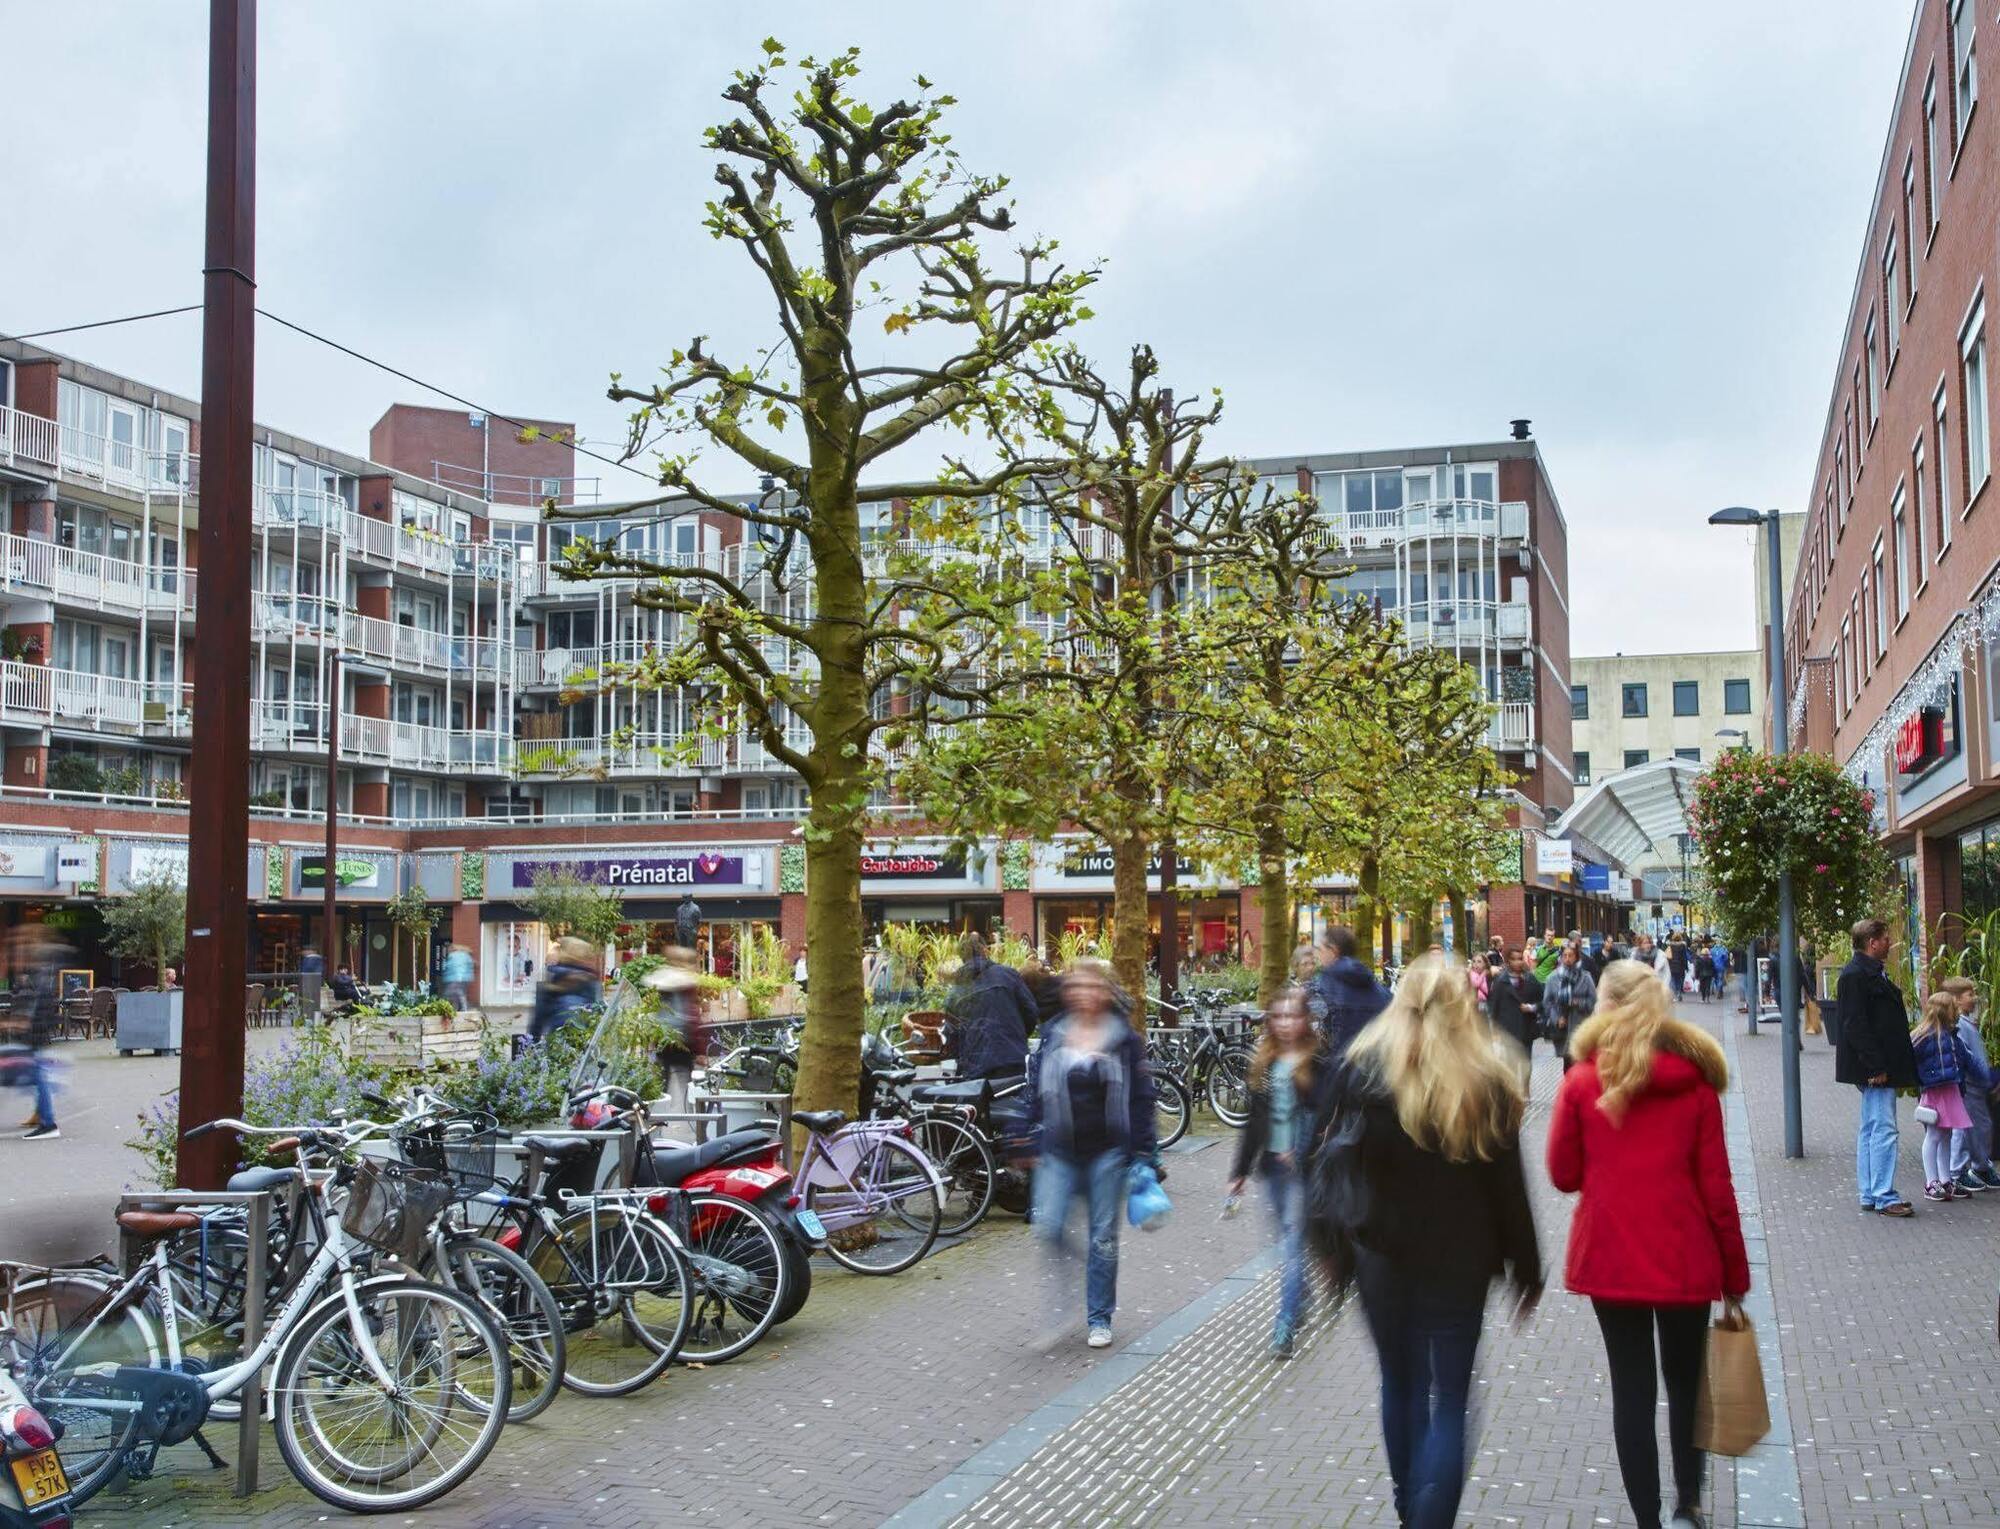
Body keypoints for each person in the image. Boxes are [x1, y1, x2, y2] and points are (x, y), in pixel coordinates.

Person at [1315, 956, 1540, 1528]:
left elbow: (1331, 1164)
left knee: (1401, 1383)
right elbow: (1508, 1185)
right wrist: (1526, 1267)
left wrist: (1334, 1251)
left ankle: (1406, 1505)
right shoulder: (1489, 1078)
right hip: (1460, 1264)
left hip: (1382, 1259)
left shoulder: (1363, 1068)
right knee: (1452, 1402)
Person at [1548, 959, 1749, 1529]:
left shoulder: (1583, 1081)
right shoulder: (1696, 1082)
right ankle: (1690, 1501)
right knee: (1686, 1382)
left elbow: (1563, 1175)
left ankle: (1647, 1519)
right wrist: (1734, 1273)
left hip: (1610, 1255)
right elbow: (1718, 1187)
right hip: (1684, 1258)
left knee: (1630, 1391)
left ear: (1603, 1005)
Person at [1018, 959, 1157, 1350]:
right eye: (1076, 986)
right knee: (1048, 1226)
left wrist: (1144, 1151)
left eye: (1093, 986)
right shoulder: (1054, 1033)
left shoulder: (1123, 1039)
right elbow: (1034, 1088)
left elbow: (1142, 1098)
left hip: (1107, 1153)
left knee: (1102, 1239)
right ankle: (1069, 1297)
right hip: (1059, 1149)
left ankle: (1099, 1316)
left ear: (1107, 991)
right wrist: (1023, 1136)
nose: (1084, 993)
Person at [1227, 986, 1320, 1357]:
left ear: (1305, 1020)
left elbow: (1330, 1117)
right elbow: (1254, 1122)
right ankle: (1301, 1294)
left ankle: (1283, 1326)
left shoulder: (1319, 1063)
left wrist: (1306, 1147)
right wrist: (1239, 1171)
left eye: (1291, 1015)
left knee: (1292, 1246)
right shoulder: (1264, 1064)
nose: (1284, 1023)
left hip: (1305, 1172)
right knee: (1284, 1244)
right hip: (1271, 1169)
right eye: (1277, 1016)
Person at [1833, 917, 1918, 1217]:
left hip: (1875, 1066)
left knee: (1871, 1128)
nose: (1890, 944)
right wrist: (1876, 1065)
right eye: (1886, 939)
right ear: (1873, 942)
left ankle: (1871, 1192)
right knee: (1883, 1128)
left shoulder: (1864, 973)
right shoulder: (1857, 975)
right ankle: (1883, 1195)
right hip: (1876, 1068)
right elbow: (1854, 1024)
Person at [1909, 989, 1991, 1203]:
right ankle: (1931, 1181)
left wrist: (1987, 1078)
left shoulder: (1951, 1036)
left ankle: (1945, 1180)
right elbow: (1909, 1059)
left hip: (1951, 1090)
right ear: (1946, 1011)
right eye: (1953, 1009)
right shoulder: (1925, 1037)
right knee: (1935, 1135)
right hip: (1937, 1091)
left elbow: (1970, 1062)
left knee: (1945, 1135)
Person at [942, 933, 1039, 1080]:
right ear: (985, 950)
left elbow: (952, 1037)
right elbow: (1031, 1012)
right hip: (1013, 1061)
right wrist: (1015, 1035)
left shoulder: (956, 990)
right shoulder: (1007, 974)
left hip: (975, 1069)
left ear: (962, 957)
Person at [1938, 977, 2000, 1190]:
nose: (1974, 998)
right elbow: (1967, 1058)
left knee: (1982, 1127)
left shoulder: (1965, 1024)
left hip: (1977, 1086)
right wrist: (1987, 1076)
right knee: (1964, 1129)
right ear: (1955, 1000)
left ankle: (1981, 1166)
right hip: (1969, 1087)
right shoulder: (1959, 1027)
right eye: (1969, 995)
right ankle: (1958, 1171)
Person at [12, 926, 67, 1140]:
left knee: (38, 1075)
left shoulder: (41, 968)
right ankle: (40, 1115)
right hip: (38, 1029)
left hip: (36, 1030)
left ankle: (48, 1122)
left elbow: (38, 1002)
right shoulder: (43, 967)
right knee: (37, 1073)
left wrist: (22, 1022)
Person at [1309, 926, 1391, 1059]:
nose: (1317, 954)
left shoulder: (1327, 982)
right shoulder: (1376, 986)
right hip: (1377, 1064)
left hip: (1344, 1065)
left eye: (1320, 949)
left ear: (1333, 951)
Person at [645, 945, 707, 1114]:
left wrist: (652, 1038)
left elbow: (656, 1012)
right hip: (683, 1039)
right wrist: (700, 1048)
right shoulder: (686, 983)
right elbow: (690, 1017)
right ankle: (694, 1117)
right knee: (687, 1081)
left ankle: (658, 1114)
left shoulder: (661, 980)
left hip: (663, 1038)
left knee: (663, 1079)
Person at [526, 935, 600, 1045]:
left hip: (558, 1048)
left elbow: (537, 1024)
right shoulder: (590, 981)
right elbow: (597, 1017)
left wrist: (529, 1050)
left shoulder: (553, 979)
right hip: (585, 1047)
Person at [1540, 941, 1597, 1073]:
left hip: (1581, 1025)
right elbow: (1547, 1002)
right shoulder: (1553, 978)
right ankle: (1570, 1090)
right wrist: (1556, 1018)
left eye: (1570, 955)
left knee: (1581, 1063)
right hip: (1563, 1028)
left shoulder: (1585, 977)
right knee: (1568, 1064)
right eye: (1564, 955)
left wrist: (1579, 1003)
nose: (1567, 959)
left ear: (1576, 957)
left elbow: (1593, 1001)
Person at [1487, 943, 1543, 1062]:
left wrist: (1531, 1008)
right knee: (1510, 1070)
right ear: (1508, 961)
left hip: (1526, 1031)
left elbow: (1543, 1002)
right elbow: (1493, 1008)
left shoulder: (1530, 980)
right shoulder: (1500, 982)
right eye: (1514, 959)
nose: (1518, 962)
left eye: (1520, 958)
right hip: (1508, 1033)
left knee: (1525, 1070)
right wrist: (1495, 1031)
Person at [442, 943, 474, 1012]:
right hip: (465, 978)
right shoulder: (466, 955)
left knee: (450, 993)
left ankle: (462, 1008)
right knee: (460, 993)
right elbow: (471, 965)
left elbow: (447, 966)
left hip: (454, 978)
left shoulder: (452, 955)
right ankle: (461, 1008)